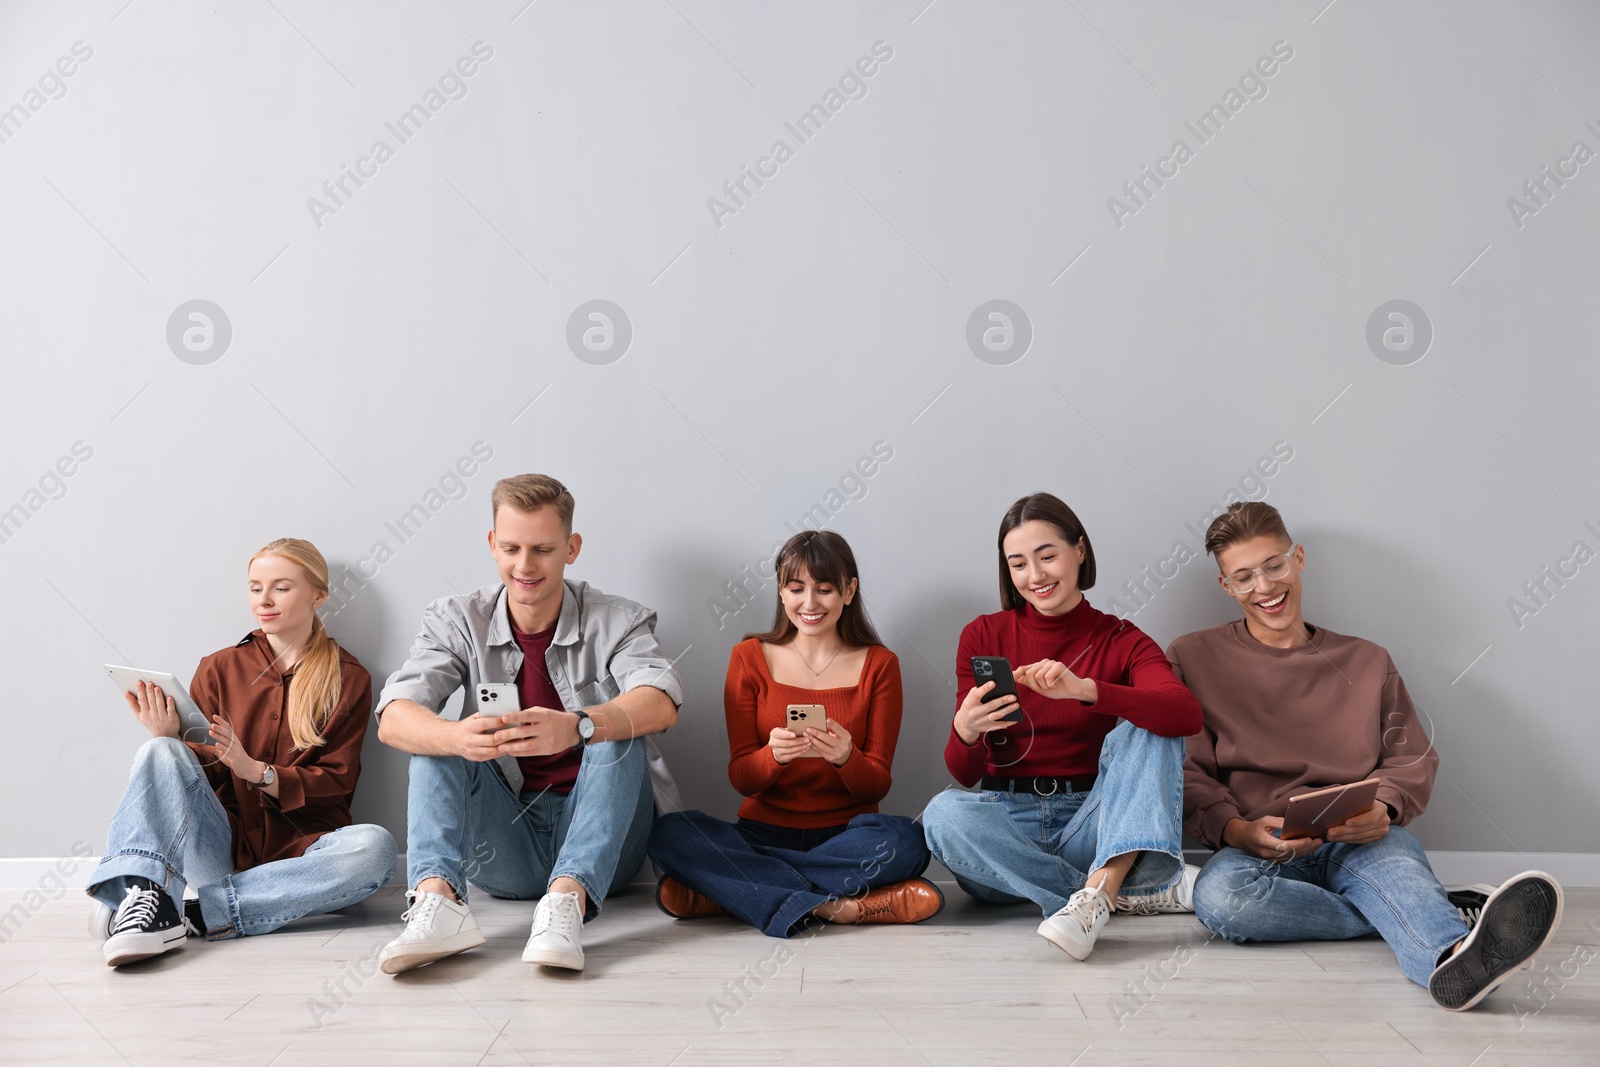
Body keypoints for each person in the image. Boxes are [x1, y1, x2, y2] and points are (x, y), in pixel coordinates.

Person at [1172, 501, 1563, 1010]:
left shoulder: (1368, 660)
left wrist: (1383, 807)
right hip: (1259, 849)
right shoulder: (1191, 656)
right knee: (1220, 900)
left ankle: (1453, 957)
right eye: (1244, 577)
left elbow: (1411, 759)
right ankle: (1433, 914)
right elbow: (1188, 769)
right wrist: (1235, 829)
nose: (1264, 587)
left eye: (1274, 565)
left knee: (1394, 869)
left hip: (1365, 839)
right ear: (1227, 587)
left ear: (1299, 559)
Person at [375, 474, 683, 974]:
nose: (525, 565)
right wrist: (455, 737)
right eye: (512, 547)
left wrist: (576, 725)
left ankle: (566, 904)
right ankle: (437, 904)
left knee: (614, 728)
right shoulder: (456, 619)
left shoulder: (619, 620)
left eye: (542, 549)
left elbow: (661, 701)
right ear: (492, 545)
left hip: (606, 847)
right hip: (505, 848)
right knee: (435, 735)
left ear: (571, 547)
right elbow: (394, 716)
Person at [86, 538, 395, 967]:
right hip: (221, 849)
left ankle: (189, 912)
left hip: (301, 862)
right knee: (158, 750)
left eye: (281, 588)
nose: (263, 600)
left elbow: (339, 780)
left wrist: (259, 772)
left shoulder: (350, 677)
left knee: (375, 849)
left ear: (319, 595)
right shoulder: (218, 668)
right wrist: (171, 739)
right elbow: (200, 782)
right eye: (255, 588)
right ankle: (140, 894)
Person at [921, 493, 1203, 961]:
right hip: (1004, 833)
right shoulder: (984, 634)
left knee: (1149, 725)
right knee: (941, 814)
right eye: (1018, 564)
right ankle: (1116, 892)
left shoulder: (1120, 638)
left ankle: (1097, 893)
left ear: (1080, 550)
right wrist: (966, 729)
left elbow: (1184, 714)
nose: (1035, 576)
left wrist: (1087, 690)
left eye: (1047, 556)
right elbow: (964, 773)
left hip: (1091, 823)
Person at [648, 531, 941, 936]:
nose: (809, 603)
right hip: (760, 833)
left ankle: (729, 893)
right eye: (796, 588)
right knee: (669, 832)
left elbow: (876, 785)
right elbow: (741, 777)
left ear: (849, 591)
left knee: (909, 841)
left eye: (824, 589)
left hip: (847, 836)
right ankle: (837, 908)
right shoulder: (748, 657)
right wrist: (773, 756)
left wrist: (845, 757)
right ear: (781, 592)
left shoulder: (880, 664)